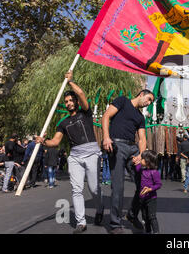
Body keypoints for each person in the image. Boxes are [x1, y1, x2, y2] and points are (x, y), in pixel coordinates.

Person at [36, 71, 104, 233]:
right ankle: (81, 222)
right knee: (76, 189)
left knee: (94, 189)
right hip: (75, 156)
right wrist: (43, 141)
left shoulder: (85, 113)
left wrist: (70, 81)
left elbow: (80, 92)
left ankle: (100, 208)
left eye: (71, 100)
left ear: (76, 101)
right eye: (66, 101)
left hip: (92, 153)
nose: (69, 103)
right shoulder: (63, 123)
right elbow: (55, 142)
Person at [102, 88, 154, 234]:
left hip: (133, 149)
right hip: (117, 145)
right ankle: (114, 224)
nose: (148, 103)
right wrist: (106, 137)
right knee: (118, 187)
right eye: (148, 99)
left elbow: (142, 138)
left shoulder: (140, 117)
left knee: (144, 183)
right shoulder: (122, 101)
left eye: (151, 102)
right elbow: (106, 116)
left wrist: (141, 155)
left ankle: (132, 214)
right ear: (141, 94)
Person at [132, 150, 162, 234]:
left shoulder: (154, 172)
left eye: (142, 159)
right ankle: (148, 231)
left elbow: (158, 184)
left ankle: (156, 232)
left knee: (152, 216)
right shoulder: (142, 170)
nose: (141, 160)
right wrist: (136, 162)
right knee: (145, 216)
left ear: (148, 161)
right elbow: (137, 168)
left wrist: (150, 189)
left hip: (151, 198)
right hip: (142, 198)